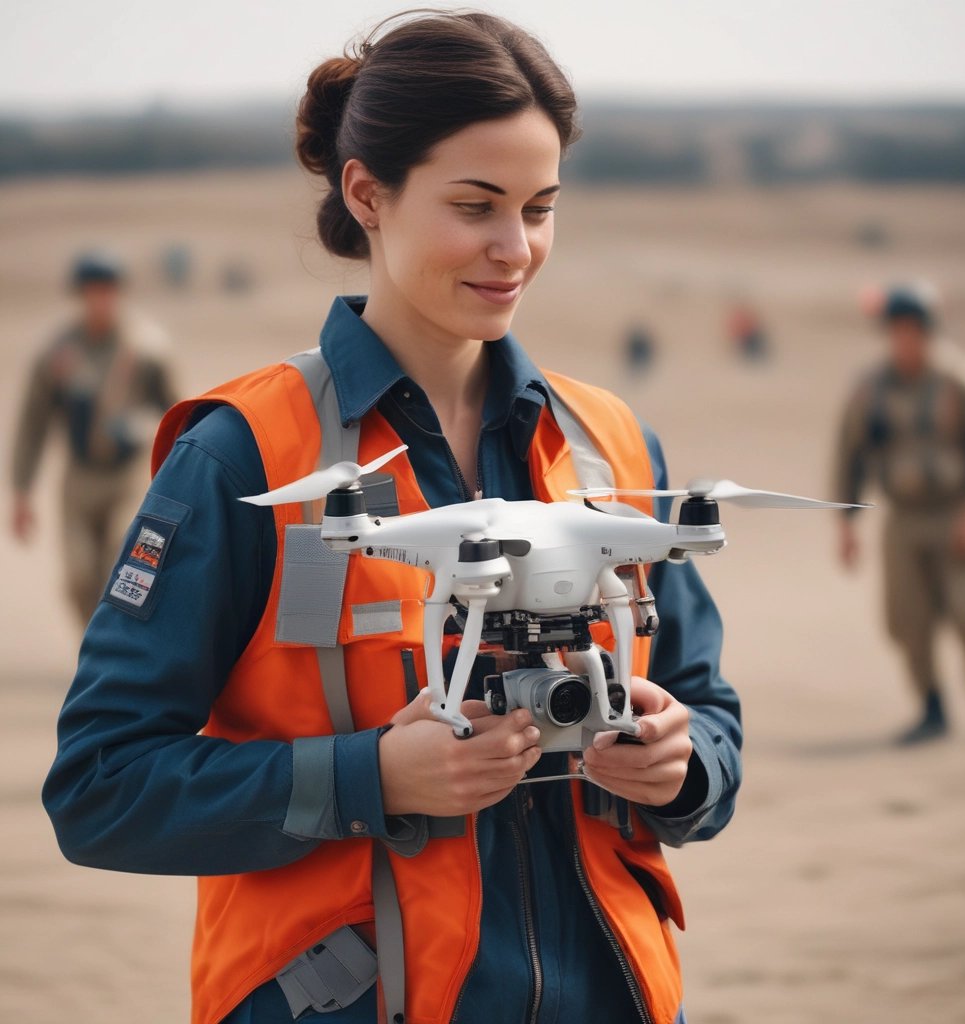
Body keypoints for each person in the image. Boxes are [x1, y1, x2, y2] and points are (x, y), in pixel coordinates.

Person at [43, 13, 742, 1024]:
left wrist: (680, 766)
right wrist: (371, 776)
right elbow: (101, 789)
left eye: (541, 208)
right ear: (368, 193)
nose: (516, 248)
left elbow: (707, 709)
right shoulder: (244, 455)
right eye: (476, 205)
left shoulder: (611, 448)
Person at [834, 285, 965, 746]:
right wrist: (846, 523)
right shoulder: (871, 391)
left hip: (953, 514)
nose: (906, 340)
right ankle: (932, 709)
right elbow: (849, 456)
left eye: (914, 331)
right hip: (904, 519)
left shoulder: (961, 383)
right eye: (898, 331)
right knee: (907, 618)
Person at [10, 250, 176, 627]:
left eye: (108, 291)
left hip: (128, 477)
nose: (101, 300)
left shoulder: (147, 349)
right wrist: (22, 490)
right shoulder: (59, 354)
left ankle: (121, 645)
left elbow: (179, 415)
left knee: (121, 565)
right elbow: (33, 423)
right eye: (93, 291)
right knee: (79, 575)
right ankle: (94, 642)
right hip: (80, 478)